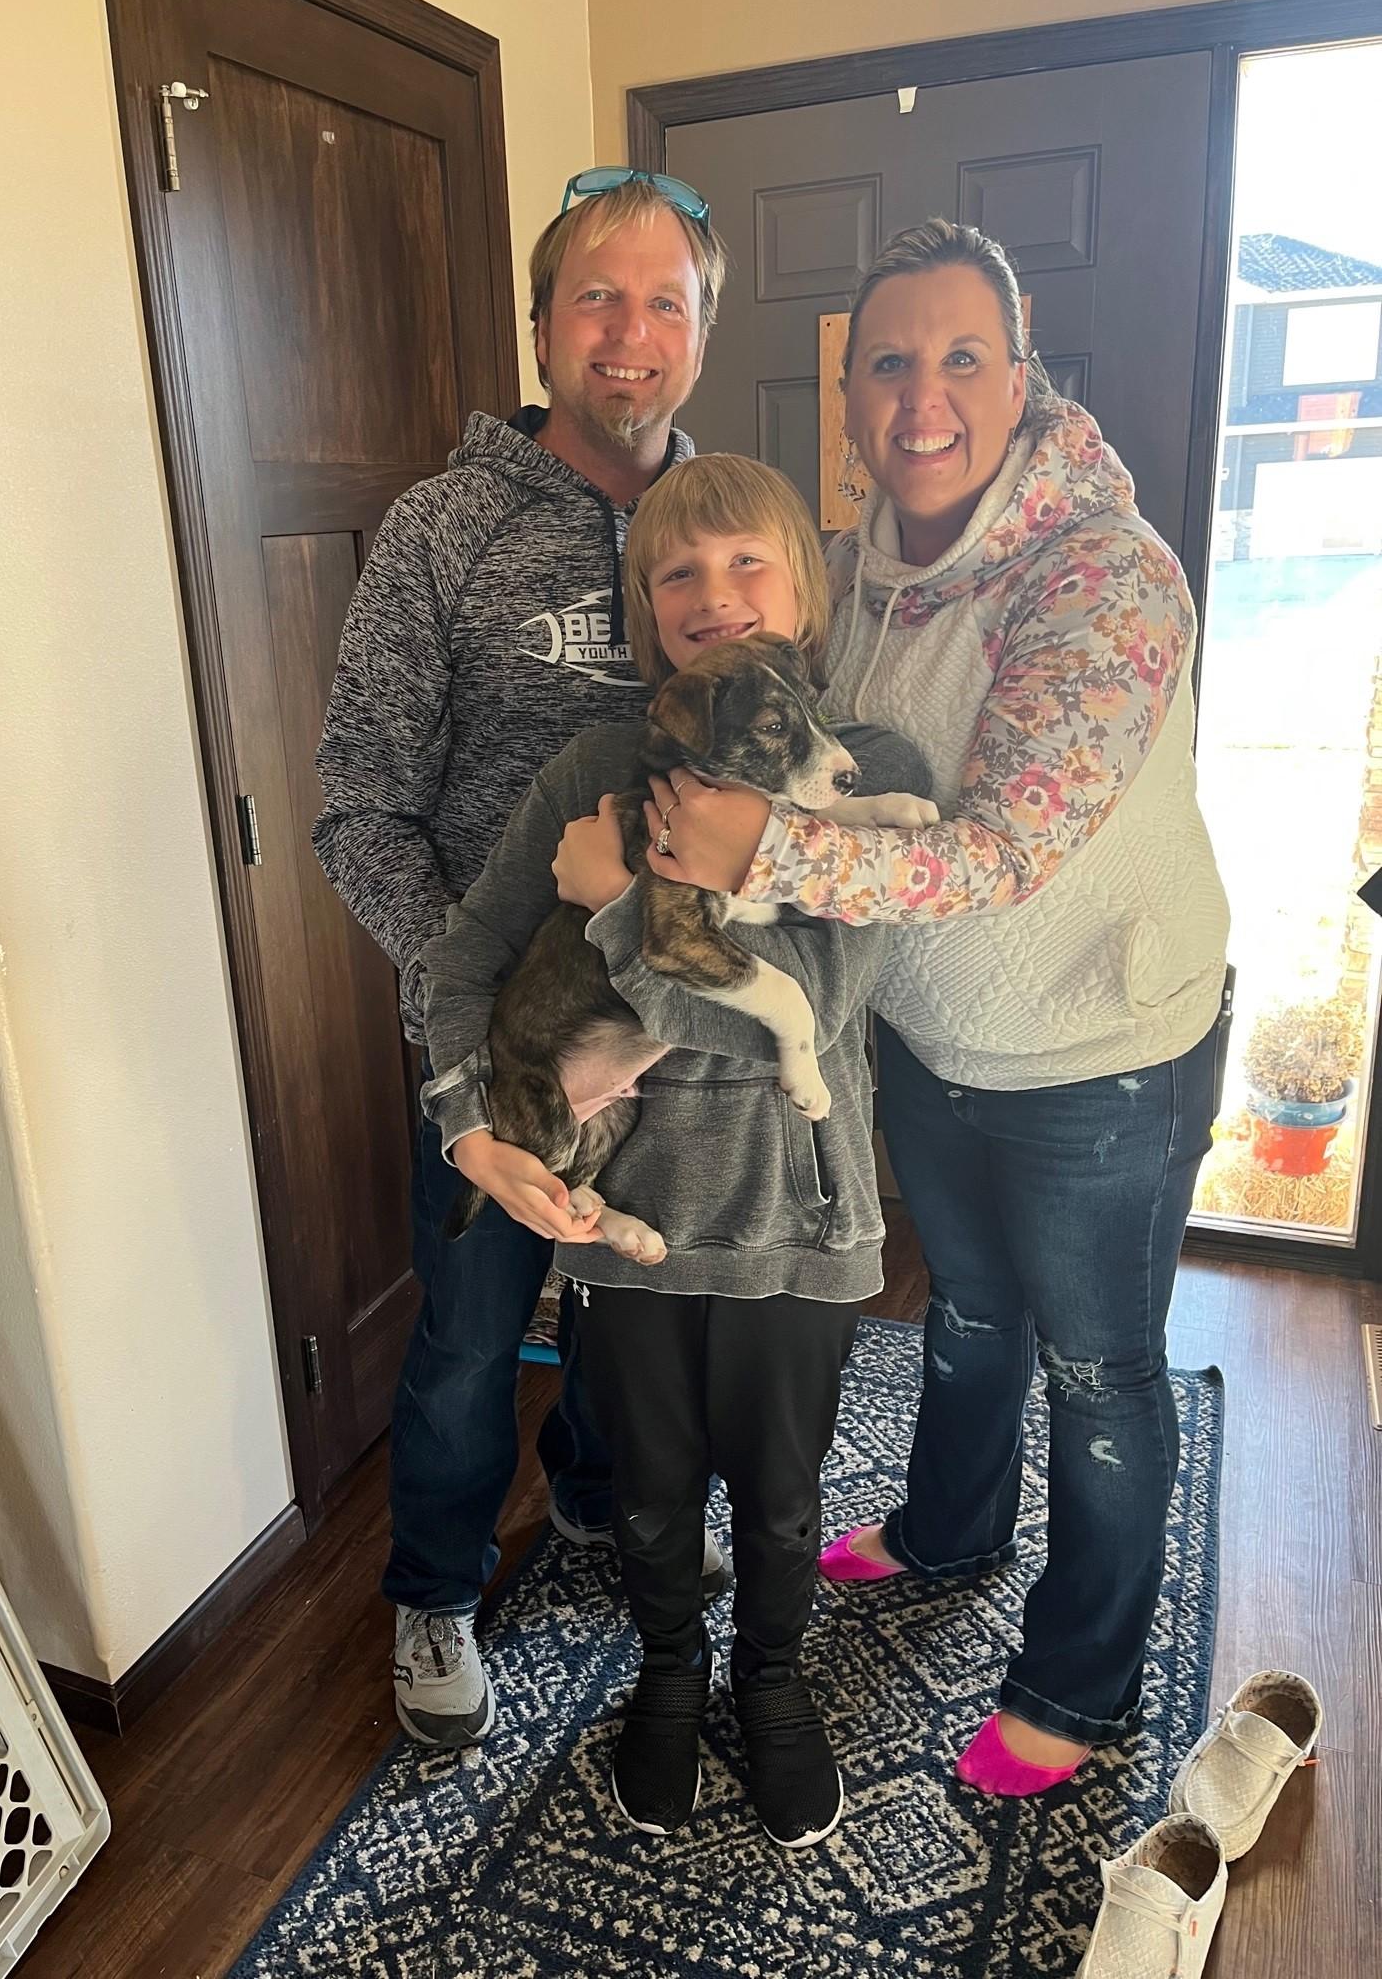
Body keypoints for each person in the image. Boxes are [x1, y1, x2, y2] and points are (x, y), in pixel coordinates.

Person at [639, 219, 1232, 1799]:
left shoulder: (1105, 574)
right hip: (937, 1039)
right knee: (966, 1314)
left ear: (1021, 378)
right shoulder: (872, 568)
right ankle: (948, 1524)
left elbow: (1010, 844)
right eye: (887, 363)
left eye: (960, 357)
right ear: (850, 394)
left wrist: (759, 848)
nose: (921, 396)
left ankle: (1081, 1677)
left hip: (1106, 1053)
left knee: (1102, 1371)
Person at [421, 454, 904, 1848]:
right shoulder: (593, 768)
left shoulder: (863, 775)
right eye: (677, 573)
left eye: (747, 561)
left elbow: (813, 1014)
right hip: (629, 1221)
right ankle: (672, 1681)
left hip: (797, 1219)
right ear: (646, 609)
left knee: (784, 1491)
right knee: (644, 1490)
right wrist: (465, 1120)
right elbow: (462, 966)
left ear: (804, 588)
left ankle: (772, 1684)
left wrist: (622, 901)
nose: (713, 595)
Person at [313, 171, 731, 1749]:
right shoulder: (442, 530)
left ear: (705, 329)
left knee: (638, 1316)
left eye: (664, 302)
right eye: (597, 300)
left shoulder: (730, 528)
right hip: (486, 1046)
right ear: (545, 322)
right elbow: (358, 806)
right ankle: (431, 1593)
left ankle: (599, 1503)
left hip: (671, 1035)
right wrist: (469, 1006)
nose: (630, 336)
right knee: (471, 1339)